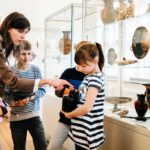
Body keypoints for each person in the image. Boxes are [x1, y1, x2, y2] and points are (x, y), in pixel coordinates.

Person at [0, 12, 73, 118]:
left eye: (25, 32)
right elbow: (13, 82)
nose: (23, 36)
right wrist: (48, 81)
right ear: (8, 28)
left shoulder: (34, 69)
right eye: (20, 31)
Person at [47, 41, 91, 150]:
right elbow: (58, 93)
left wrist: (76, 92)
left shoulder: (91, 75)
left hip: (82, 122)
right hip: (65, 120)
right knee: (53, 146)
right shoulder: (68, 72)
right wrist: (61, 89)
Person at [62, 41, 105, 150]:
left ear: (95, 61)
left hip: (88, 133)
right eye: (78, 65)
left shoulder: (95, 79)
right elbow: (83, 98)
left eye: (83, 66)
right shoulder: (88, 77)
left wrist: (69, 115)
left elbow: (87, 107)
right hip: (81, 132)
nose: (80, 69)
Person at [5, 40, 47, 150]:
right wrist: (14, 103)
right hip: (17, 120)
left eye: (29, 53)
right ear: (16, 54)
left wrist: (31, 98)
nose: (26, 57)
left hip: (35, 117)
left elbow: (42, 89)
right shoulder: (10, 72)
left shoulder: (36, 70)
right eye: (23, 54)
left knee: (42, 146)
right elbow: (5, 95)